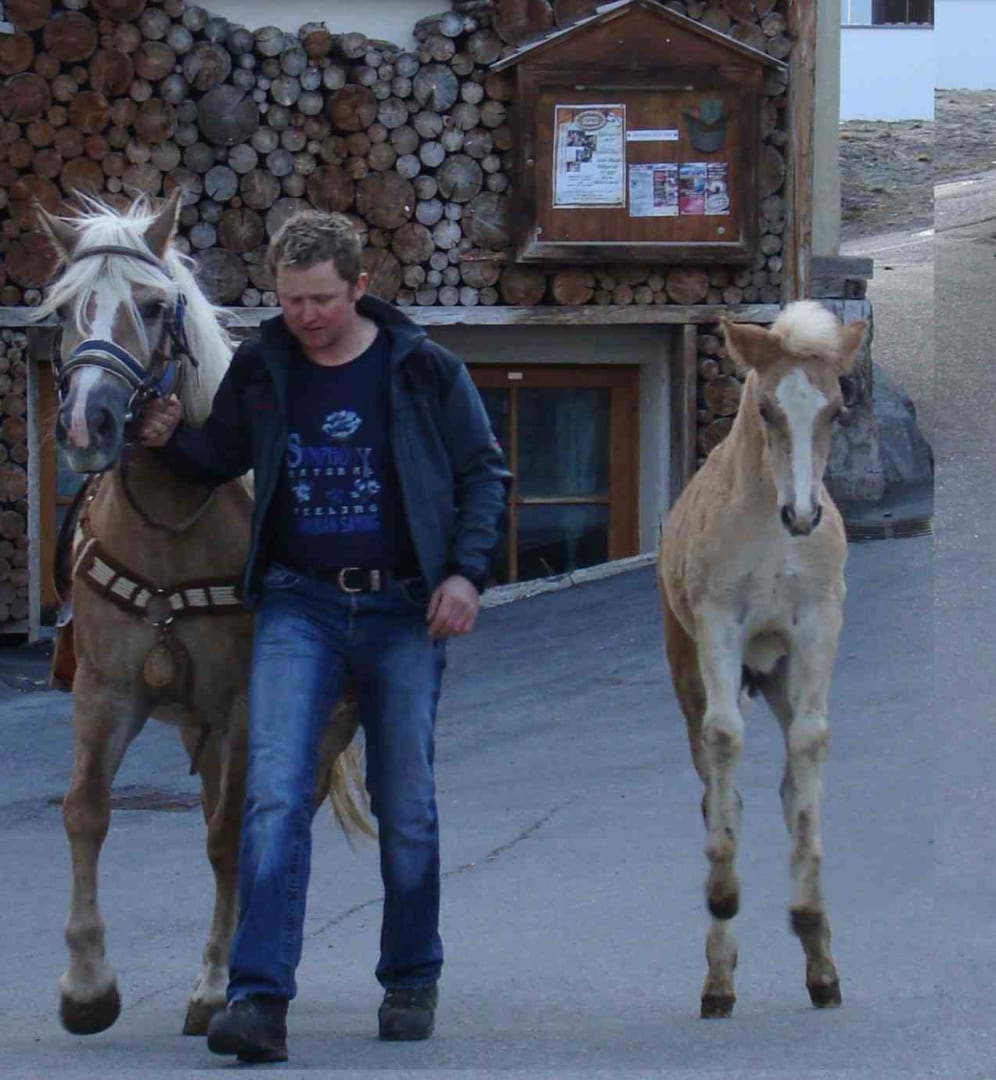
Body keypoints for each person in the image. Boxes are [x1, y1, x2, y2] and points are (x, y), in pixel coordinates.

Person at [140, 209, 509, 1063]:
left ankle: (410, 976)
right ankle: (258, 999)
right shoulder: (265, 365)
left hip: (402, 608)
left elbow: (483, 472)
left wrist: (466, 575)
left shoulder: (423, 367)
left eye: (322, 299)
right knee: (273, 792)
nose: (306, 315)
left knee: (404, 801)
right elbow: (219, 456)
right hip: (296, 605)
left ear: (360, 287)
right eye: (291, 299)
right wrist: (168, 441)